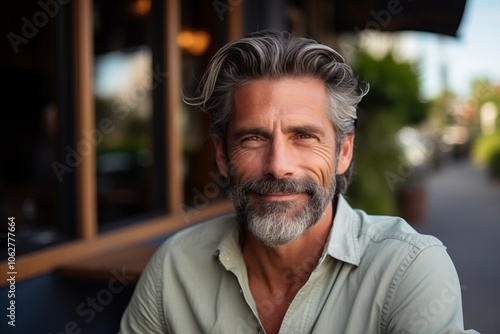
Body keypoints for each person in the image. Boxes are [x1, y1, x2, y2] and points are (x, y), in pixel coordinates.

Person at [119, 30, 478, 334]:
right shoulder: (174, 268)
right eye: (252, 138)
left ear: (343, 152)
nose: (278, 166)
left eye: (304, 136)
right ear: (221, 156)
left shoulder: (407, 270)